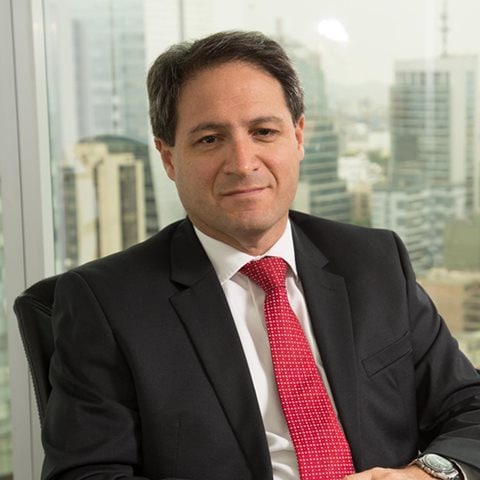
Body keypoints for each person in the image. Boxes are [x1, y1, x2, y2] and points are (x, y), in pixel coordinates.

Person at [41, 31, 480, 480]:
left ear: (298, 136)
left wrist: (425, 475)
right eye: (210, 139)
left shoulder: (374, 261)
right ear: (169, 158)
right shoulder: (107, 303)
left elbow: (469, 405)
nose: (243, 163)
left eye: (264, 132)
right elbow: (87, 474)